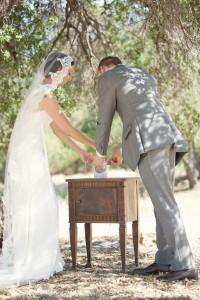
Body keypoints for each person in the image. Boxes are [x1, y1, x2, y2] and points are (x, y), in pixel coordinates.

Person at [94, 56, 198, 281]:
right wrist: (122, 150)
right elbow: (140, 114)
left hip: (151, 145)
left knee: (165, 203)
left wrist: (99, 153)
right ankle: (165, 259)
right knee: (161, 202)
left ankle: (185, 263)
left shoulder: (108, 78)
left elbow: (104, 119)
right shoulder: (142, 75)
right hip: (167, 139)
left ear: (102, 69)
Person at [0, 52, 94, 287]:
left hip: (30, 156)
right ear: (57, 71)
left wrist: (80, 152)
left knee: (36, 206)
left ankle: (35, 256)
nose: (68, 78)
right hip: (29, 159)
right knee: (41, 205)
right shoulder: (45, 96)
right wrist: (94, 144)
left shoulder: (40, 94)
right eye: (68, 73)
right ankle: (34, 261)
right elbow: (67, 127)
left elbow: (56, 130)